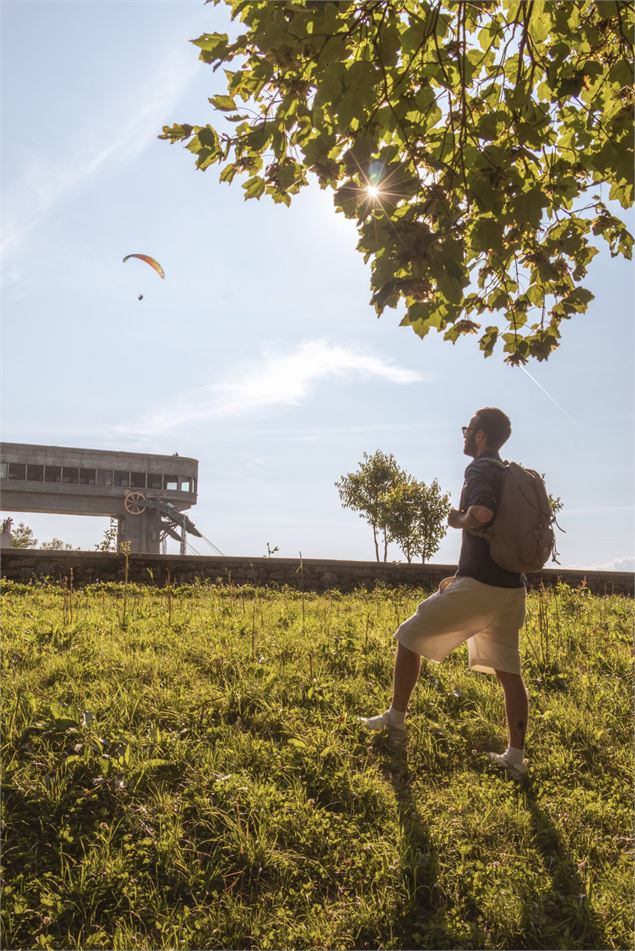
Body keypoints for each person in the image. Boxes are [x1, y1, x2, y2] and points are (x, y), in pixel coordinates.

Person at [361, 407, 529, 779]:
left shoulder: (481, 469)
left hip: (481, 588)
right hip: (511, 589)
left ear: (481, 435)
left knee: (409, 635)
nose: (465, 435)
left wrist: (460, 520)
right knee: (509, 672)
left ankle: (395, 719)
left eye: (468, 429)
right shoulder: (507, 473)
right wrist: (460, 574)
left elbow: (482, 514)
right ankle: (515, 758)